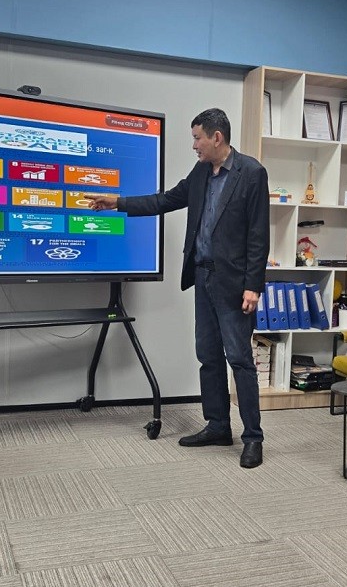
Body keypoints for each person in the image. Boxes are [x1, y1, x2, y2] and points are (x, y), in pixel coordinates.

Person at [85, 108, 269, 468]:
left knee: (240, 360)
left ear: (217, 137)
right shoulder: (201, 173)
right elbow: (165, 200)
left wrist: (253, 286)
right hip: (203, 278)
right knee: (208, 356)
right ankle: (218, 426)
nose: (194, 145)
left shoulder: (251, 173)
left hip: (234, 285)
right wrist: (118, 203)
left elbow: (258, 234)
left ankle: (253, 438)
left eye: (197, 138)